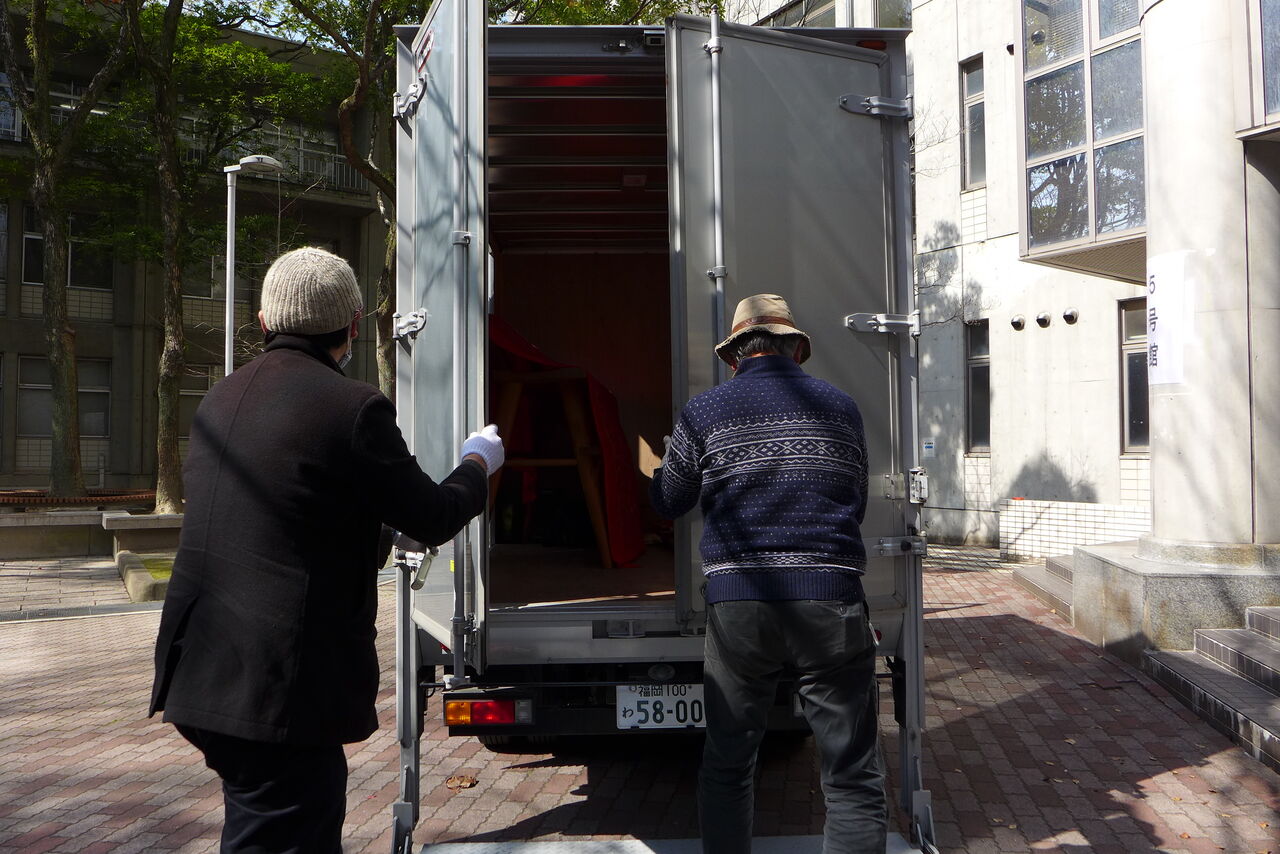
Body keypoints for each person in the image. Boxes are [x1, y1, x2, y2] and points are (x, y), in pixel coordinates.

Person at [149, 246, 503, 854]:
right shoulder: (353, 407)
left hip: (202, 671)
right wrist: (477, 461)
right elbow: (433, 514)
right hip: (277, 691)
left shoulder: (219, 398)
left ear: (264, 320)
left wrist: (373, 533)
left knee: (267, 825)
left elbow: (286, 515)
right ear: (353, 326)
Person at [650, 294, 885, 854]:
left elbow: (668, 501)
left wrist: (663, 469)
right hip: (830, 597)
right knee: (851, 775)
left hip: (739, 603)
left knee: (729, 763)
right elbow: (854, 500)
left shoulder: (704, 411)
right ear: (796, 349)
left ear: (735, 356)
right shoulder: (841, 408)